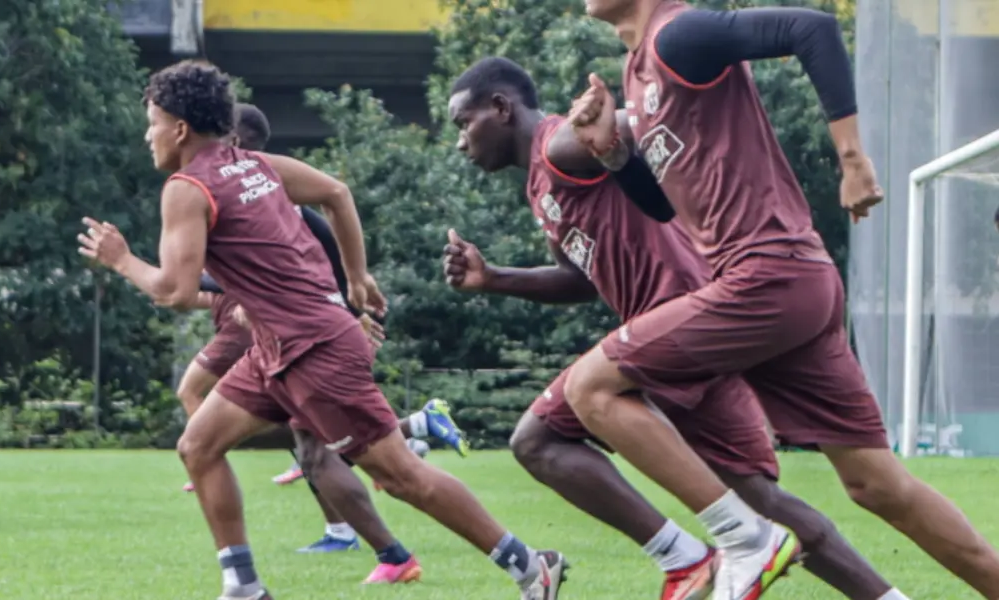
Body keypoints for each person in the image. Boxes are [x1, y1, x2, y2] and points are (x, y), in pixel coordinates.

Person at [78, 61, 566, 600]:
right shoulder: (256, 165)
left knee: (402, 476)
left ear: (178, 128)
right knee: (198, 445)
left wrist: (121, 259)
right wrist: (356, 279)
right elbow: (336, 192)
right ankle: (243, 587)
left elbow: (173, 291)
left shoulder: (186, 188)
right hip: (279, 348)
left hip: (312, 350)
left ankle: (530, 566)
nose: (147, 134)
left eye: (151, 122)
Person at [563, 1, 999, 598]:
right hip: (792, 283)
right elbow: (669, 209)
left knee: (589, 388)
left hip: (766, 276)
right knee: (877, 486)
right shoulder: (638, 73)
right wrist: (613, 153)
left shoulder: (679, 34)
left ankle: (746, 541)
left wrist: (852, 158)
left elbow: (811, 28)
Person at [444, 55, 901, 600]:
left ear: (500, 107)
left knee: (539, 439)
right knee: (759, 500)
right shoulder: (542, 183)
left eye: (462, 123)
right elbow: (580, 279)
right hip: (665, 338)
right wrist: (493, 278)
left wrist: (647, 117)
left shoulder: (560, 145)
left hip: (686, 325)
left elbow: (651, 129)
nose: (459, 142)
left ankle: (687, 559)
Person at [182, 105, 468, 571]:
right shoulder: (243, 198)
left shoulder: (276, 196)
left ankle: (495, 554)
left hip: (314, 341)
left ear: (234, 141)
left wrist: (353, 304)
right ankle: (390, 538)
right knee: (315, 453)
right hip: (287, 344)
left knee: (351, 460)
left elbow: (325, 242)